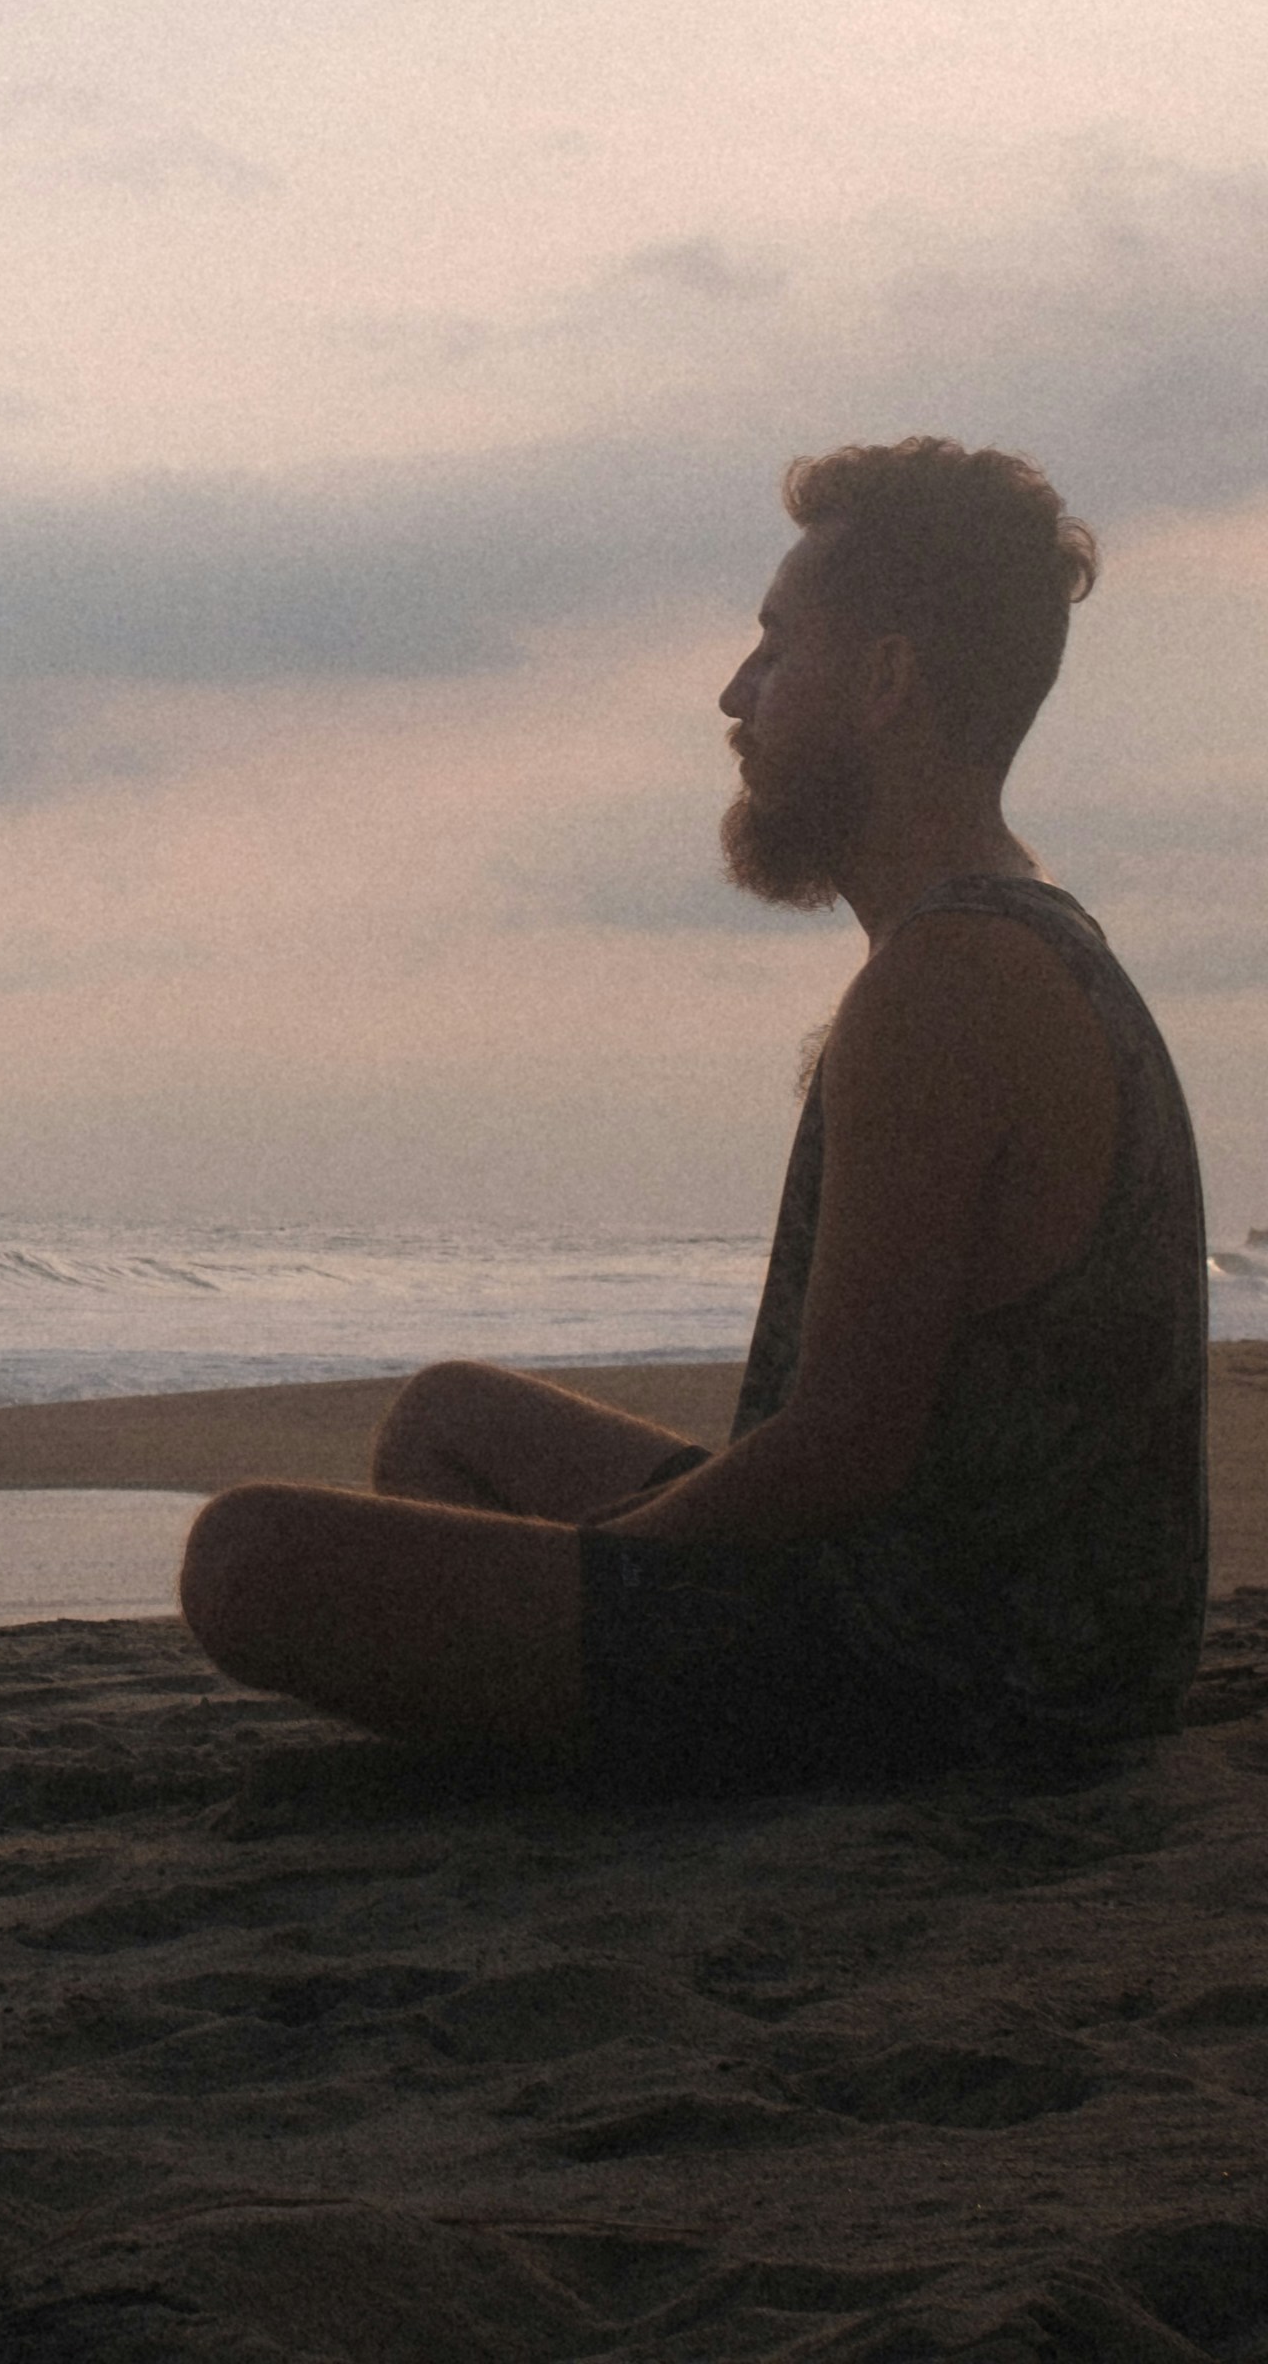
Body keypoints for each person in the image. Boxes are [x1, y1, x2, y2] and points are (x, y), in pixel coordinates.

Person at [174, 438, 1205, 1788]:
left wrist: (599, 1570)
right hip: (996, 1627)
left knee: (248, 1557)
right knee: (447, 1421)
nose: (734, 694)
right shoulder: (1010, 933)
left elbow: (841, 1452)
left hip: (964, 1676)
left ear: (886, 681)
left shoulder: (949, 981)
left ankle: (581, 1743)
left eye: (776, 649)